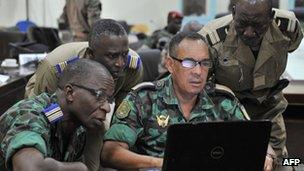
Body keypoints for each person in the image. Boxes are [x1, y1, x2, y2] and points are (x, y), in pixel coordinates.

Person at [100, 32, 274, 170]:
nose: (198, 71)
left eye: (204, 63)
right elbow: (111, 153)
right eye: (189, 63)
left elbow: (257, 140)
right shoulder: (144, 98)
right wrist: (163, 164)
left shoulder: (223, 100)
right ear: (170, 64)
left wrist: (267, 155)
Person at [24, 18, 143, 171]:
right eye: (112, 56)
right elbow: (43, 114)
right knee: (56, 134)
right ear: (90, 54)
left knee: (96, 127)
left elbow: (122, 111)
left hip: (95, 101)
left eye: (124, 55)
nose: (120, 63)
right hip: (53, 98)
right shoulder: (56, 66)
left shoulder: (132, 66)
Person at [198, 0, 303, 169]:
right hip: (227, 112)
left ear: (270, 17)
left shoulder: (288, 27)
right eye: (242, 23)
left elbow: (293, 46)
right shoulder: (211, 39)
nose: (249, 32)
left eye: (258, 25)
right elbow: (198, 87)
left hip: (269, 108)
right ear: (233, 13)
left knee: (281, 163)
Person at [0, 59, 114, 171]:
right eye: (99, 96)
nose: (107, 107)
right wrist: (77, 168)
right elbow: (29, 168)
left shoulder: (76, 126)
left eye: (108, 99)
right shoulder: (30, 115)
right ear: (70, 93)